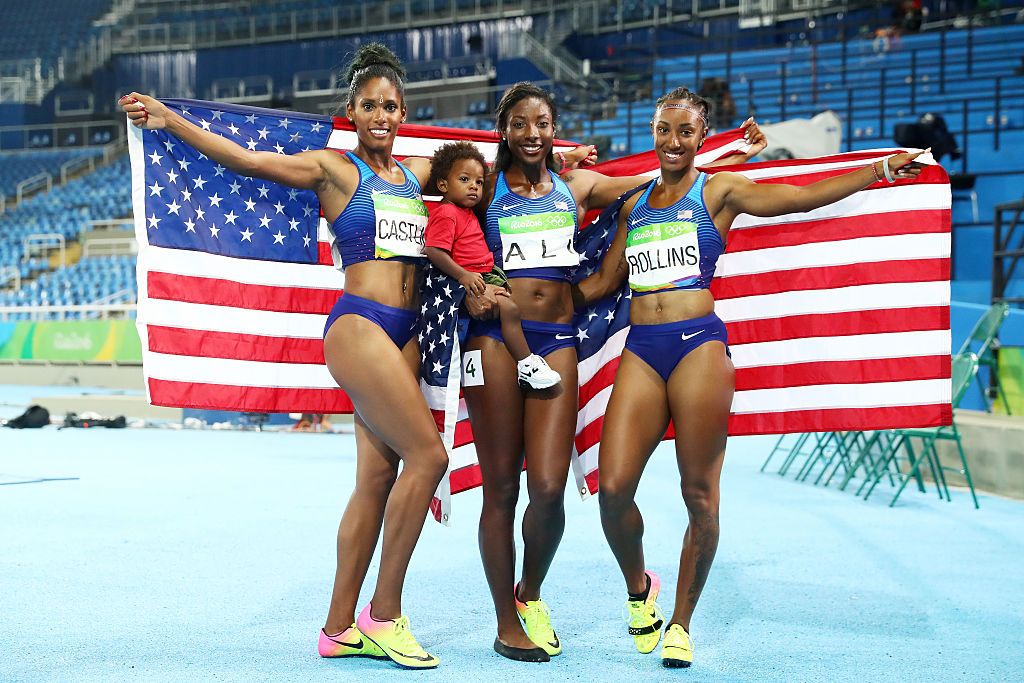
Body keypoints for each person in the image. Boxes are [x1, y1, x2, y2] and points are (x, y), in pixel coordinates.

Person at [119, 43, 492, 670]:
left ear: (404, 113)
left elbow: (478, 164)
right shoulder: (335, 169)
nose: (381, 115)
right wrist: (171, 121)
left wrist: (564, 157)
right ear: (352, 110)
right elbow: (248, 159)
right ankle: (385, 615)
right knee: (428, 457)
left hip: (403, 335)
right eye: (369, 105)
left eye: (391, 106)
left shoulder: (413, 176)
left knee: (375, 482)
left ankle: (338, 626)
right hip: (360, 326)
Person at [575, 86, 926, 668]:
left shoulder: (719, 190)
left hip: (697, 350)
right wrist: (529, 304)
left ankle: (681, 624)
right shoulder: (635, 204)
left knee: (698, 494)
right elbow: (604, 282)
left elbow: (801, 197)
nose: (672, 141)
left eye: (685, 132)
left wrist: (880, 169)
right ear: (653, 133)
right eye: (664, 130)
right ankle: (641, 589)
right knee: (612, 489)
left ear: (701, 138)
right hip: (642, 348)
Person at [462, 82, 767, 663]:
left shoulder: (577, 185)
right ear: (501, 130)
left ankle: (530, 595)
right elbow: (423, 178)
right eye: (521, 123)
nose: (533, 132)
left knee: (548, 488)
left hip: (556, 341)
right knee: (501, 488)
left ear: (556, 128)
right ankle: (510, 619)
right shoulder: (482, 183)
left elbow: (659, 183)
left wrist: (731, 152)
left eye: (543, 123)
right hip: (495, 339)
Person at [423, 141, 561, 390]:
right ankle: (526, 364)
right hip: (472, 279)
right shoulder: (446, 213)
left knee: (508, 306)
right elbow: (433, 250)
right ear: (443, 184)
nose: (474, 187)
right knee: (510, 310)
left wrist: (568, 159)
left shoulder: (466, 212)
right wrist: (463, 276)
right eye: (464, 179)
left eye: (478, 182)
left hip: (486, 275)